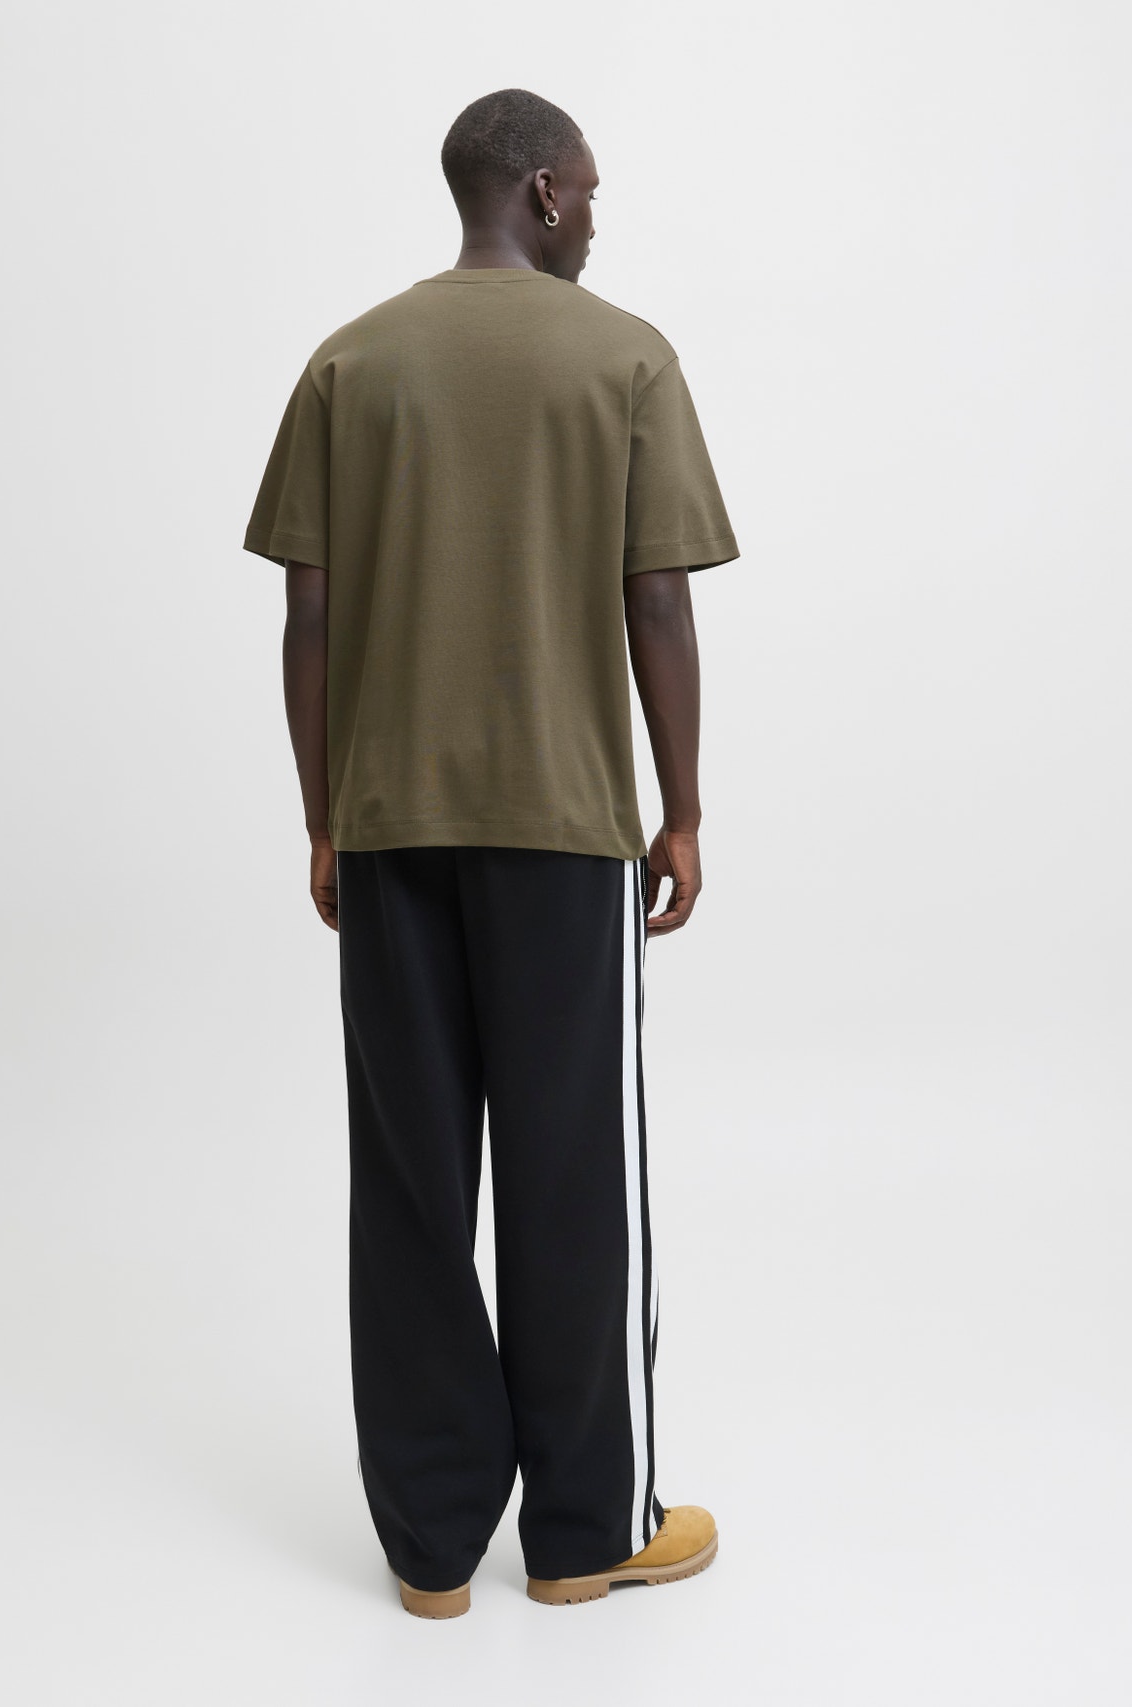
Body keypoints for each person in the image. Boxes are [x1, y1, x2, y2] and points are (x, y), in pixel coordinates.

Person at [242, 88, 740, 1619]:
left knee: (407, 1182)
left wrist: (325, 815)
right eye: (588, 190)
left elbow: (307, 614)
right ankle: (586, 1533)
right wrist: (682, 807)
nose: (596, 215)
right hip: (564, 830)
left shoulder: (352, 361)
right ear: (539, 193)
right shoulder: (624, 359)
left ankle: (431, 1549)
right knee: (571, 1174)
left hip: (393, 826)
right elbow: (657, 599)